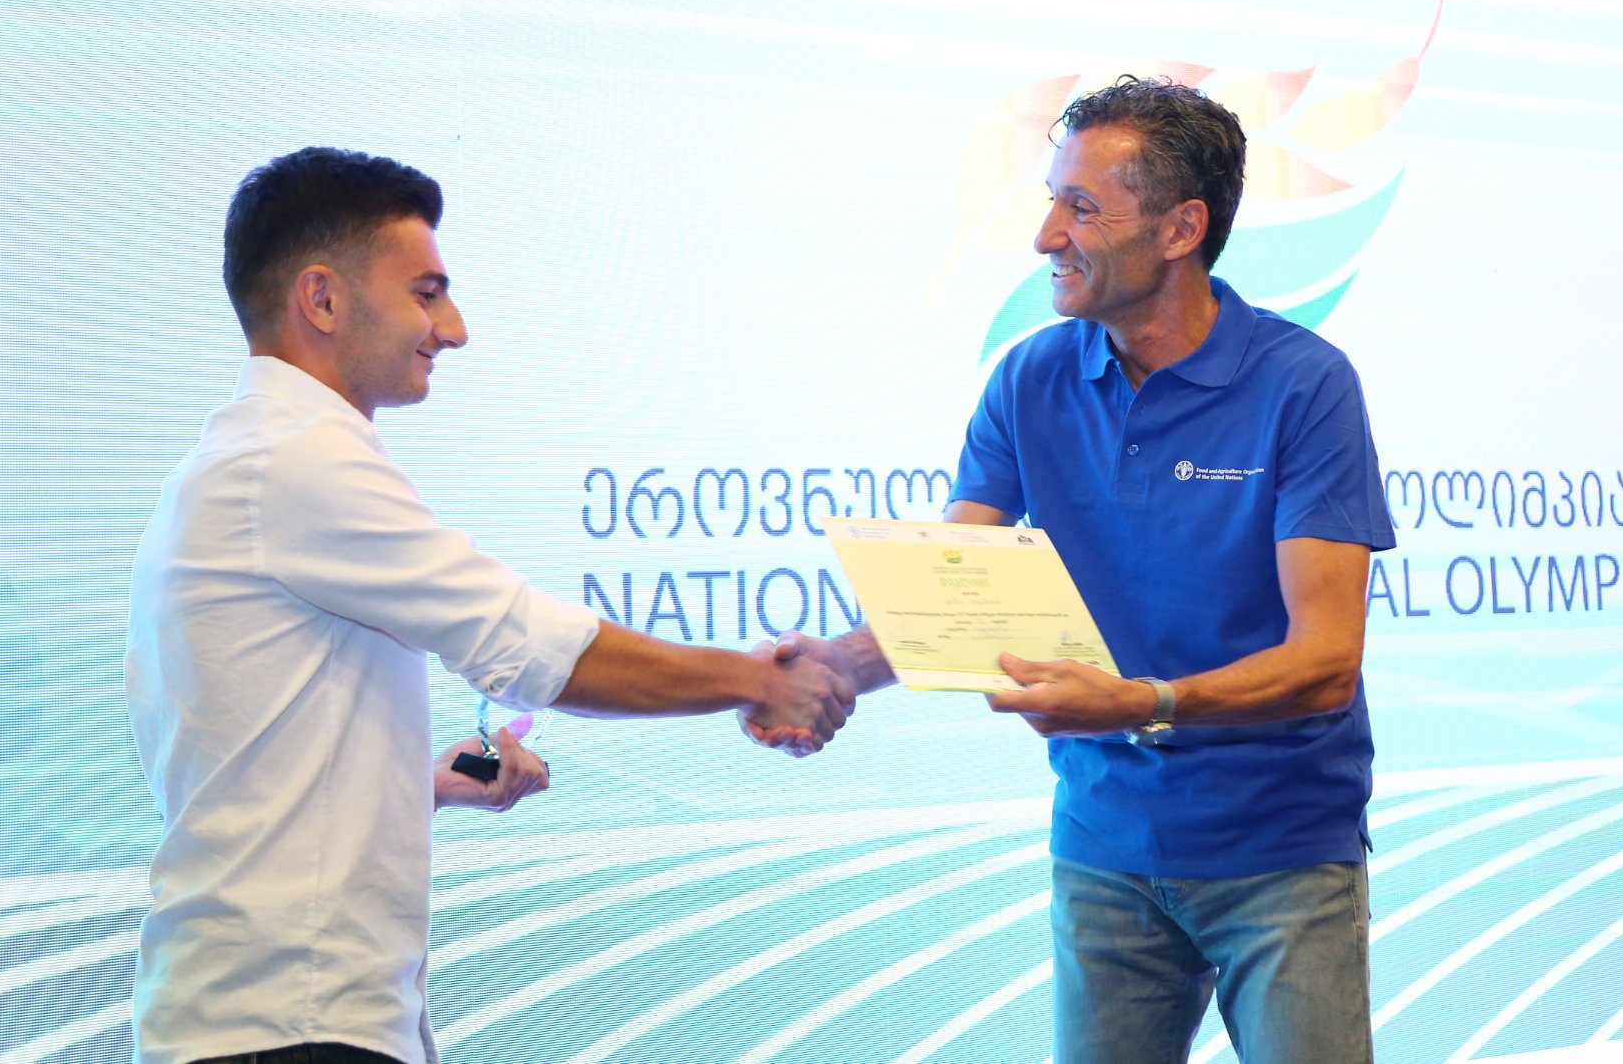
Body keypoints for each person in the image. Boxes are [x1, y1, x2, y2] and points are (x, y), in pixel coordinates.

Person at [126, 147, 852, 1064]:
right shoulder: (295, 460)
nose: (455, 328)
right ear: (322, 299)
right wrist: (757, 681)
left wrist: (422, 783)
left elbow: (251, 767)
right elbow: (529, 645)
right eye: (427, 293)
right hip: (288, 1032)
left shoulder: (239, 462)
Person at [757, 76, 1395, 1063]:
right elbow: (953, 597)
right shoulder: (1030, 378)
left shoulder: (1302, 385)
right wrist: (834, 668)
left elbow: (1324, 662)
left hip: (1280, 853)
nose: (1045, 235)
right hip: (1103, 848)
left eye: (1082, 207)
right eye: (1052, 200)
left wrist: (1141, 701)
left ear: (1181, 228)